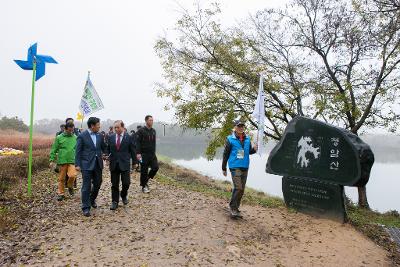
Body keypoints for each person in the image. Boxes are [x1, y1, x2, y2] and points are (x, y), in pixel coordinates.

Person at [222, 119, 258, 218]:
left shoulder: (247, 139)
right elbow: (226, 154)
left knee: (241, 190)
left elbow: (248, 152)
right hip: (234, 166)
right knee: (238, 187)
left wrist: (254, 150)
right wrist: (223, 168)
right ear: (235, 127)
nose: (241, 128)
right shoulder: (230, 139)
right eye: (239, 126)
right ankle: (232, 208)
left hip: (245, 166)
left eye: (242, 126)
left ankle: (236, 208)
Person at [75, 117, 106, 217]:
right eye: (98, 125)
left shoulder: (100, 135)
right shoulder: (82, 136)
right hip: (86, 164)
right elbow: (78, 151)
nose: (99, 126)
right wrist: (77, 164)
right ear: (92, 126)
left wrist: (109, 153)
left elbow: (104, 148)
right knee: (86, 186)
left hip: (98, 164)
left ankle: (91, 199)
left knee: (98, 183)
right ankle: (86, 207)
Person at [106, 120, 136, 210]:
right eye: (115, 127)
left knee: (126, 183)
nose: (116, 129)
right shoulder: (111, 137)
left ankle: (123, 195)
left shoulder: (129, 137)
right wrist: (107, 156)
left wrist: (135, 162)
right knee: (114, 184)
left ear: (122, 127)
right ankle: (114, 202)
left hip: (125, 163)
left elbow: (133, 151)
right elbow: (108, 149)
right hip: (114, 164)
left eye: (118, 127)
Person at [49, 122, 78, 201]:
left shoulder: (75, 137)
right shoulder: (59, 137)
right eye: (69, 130)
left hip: (72, 160)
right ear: (65, 129)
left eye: (72, 130)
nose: (70, 132)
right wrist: (52, 159)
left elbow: (78, 149)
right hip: (62, 160)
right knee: (61, 179)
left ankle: (70, 186)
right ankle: (61, 193)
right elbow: (54, 149)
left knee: (72, 175)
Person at [136, 116, 158, 193]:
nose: (151, 121)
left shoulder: (153, 131)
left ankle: (146, 180)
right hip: (143, 154)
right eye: (150, 120)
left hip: (152, 154)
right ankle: (143, 186)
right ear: (146, 121)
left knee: (155, 167)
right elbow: (137, 143)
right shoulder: (141, 131)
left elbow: (154, 142)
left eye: (152, 120)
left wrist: (154, 152)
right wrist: (138, 153)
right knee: (144, 171)